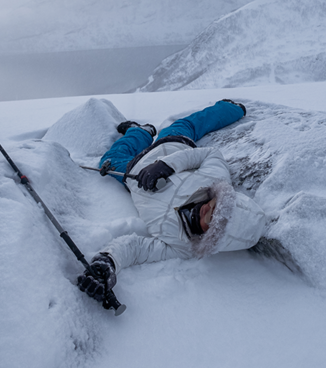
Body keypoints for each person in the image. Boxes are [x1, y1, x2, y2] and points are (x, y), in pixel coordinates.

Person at [77, 99, 268, 302]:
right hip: (170, 146)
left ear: (213, 237)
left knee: (111, 159)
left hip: (132, 172)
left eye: (211, 220)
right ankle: (231, 108)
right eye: (213, 204)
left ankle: (138, 131)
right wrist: (166, 166)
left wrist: (108, 262)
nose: (205, 208)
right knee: (188, 125)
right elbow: (210, 154)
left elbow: (136, 248)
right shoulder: (214, 180)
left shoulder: (182, 246)